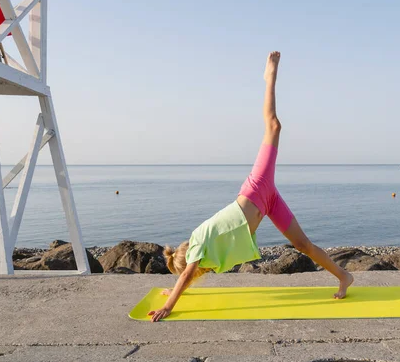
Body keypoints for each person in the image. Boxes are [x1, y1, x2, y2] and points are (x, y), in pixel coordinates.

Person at [148, 51, 353, 322]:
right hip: (268, 203)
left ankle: (269, 78)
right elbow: (187, 277)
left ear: (188, 257)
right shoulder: (209, 257)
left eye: (191, 270)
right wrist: (173, 290)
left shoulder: (198, 240)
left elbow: (186, 275)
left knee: (274, 126)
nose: (196, 273)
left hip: (257, 189)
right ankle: (344, 276)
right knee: (303, 244)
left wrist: (169, 306)